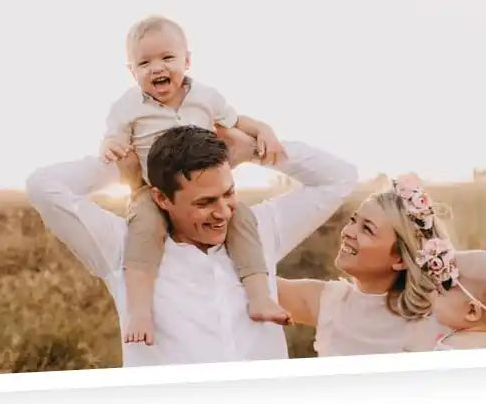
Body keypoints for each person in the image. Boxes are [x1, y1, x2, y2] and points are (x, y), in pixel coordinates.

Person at [26, 124, 357, 367]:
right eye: (205, 202)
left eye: (229, 193)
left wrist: (255, 150)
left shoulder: (259, 230)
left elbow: (339, 177)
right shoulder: (121, 247)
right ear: (161, 198)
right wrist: (123, 165)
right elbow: (43, 187)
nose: (223, 212)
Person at [101, 15, 290, 345]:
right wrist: (112, 146)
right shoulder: (127, 107)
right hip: (153, 188)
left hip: (203, 183)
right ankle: (141, 310)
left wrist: (263, 130)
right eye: (144, 63)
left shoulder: (205, 96)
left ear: (187, 60)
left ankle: (259, 295)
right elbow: (112, 138)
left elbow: (235, 120)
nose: (157, 68)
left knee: (241, 217)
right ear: (132, 72)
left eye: (167, 58)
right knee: (144, 229)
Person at [276, 174, 451, 356]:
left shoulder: (441, 317)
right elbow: (249, 282)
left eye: (367, 229)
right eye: (353, 220)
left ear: (401, 260)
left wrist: (439, 258)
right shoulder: (330, 302)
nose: (348, 232)